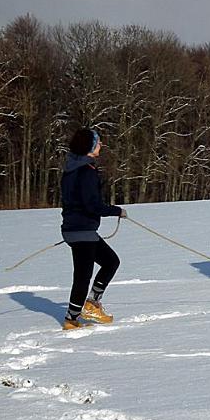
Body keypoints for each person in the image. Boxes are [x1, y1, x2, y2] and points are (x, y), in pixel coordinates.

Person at [60, 128, 127, 330]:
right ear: (90, 147)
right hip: (82, 231)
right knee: (83, 275)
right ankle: (73, 318)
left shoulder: (71, 169)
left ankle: (90, 304)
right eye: (98, 143)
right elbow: (92, 205)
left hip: (76, 229)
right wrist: (117, 211)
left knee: (110, 261)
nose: (101, 146)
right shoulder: (86, 171)